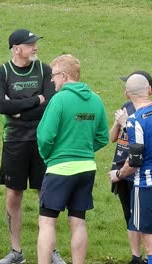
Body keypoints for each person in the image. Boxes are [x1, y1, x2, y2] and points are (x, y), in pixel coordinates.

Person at [0, 29, 65, 264]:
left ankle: (50, 250)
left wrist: (19, 109)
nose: (35, 47)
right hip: (14, 141)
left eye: (35, 43)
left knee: (45, 192)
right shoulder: (2, 73)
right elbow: (2, 107)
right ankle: (16, 252)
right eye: (30, 44)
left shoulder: (44, 69)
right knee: (14, 193)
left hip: (43, 141)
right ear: (16, 49)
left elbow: (51, 103)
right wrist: (35, 101)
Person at [36, 54, 109, 264]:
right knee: (78, 222)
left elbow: (45, 136)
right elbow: (103, 136)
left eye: (54, 75)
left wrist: (49, 156)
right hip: (86, 167)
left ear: (64, 76)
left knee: (47, 222)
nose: (52, 80)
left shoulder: (59, 99)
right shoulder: (95, 99)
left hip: (60, 168)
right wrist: (84, 149)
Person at [109, 74, 152, 264]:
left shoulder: (135, 121)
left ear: (126, 93)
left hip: (148, 189)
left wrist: (118, 174)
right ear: (149, 89)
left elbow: (134, 161)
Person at [109, 70, 152, 264]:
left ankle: (147, 256)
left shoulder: (150, 111)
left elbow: (140, 143)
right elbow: (112, 138)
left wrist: (126, 123)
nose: (125, 89)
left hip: (136, 171)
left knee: (141, 217)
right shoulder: (126, 106)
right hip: (120, 169)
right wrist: (117, 122)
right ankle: (136, 257)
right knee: (129, 214)